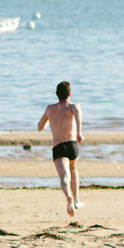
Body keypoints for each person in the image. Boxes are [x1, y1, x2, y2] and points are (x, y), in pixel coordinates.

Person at [37, 80, 84, 217]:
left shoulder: (50, 109)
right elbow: (77, 113)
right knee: (73, 169)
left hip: (58, 146)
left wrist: (50, 122)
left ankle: (68, 196)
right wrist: (79, 132)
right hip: (71, 144)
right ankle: (76, 200)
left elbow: (40, 127)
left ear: (56, 94)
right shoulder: (73, 107)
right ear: (70, 93)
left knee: (64, 176)